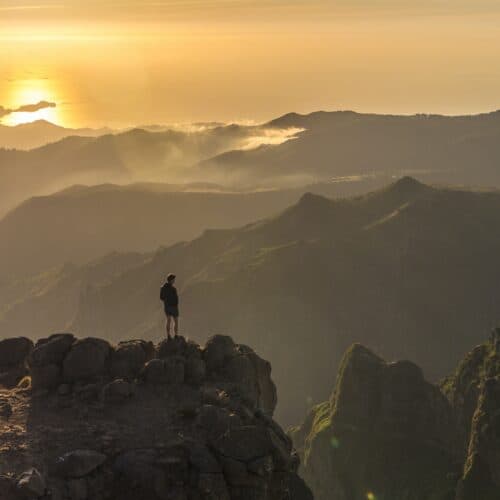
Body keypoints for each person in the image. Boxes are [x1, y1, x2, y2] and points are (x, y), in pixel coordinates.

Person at [160, 273, 179, 338]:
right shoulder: (173, 289)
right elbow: (176, 298)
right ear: (171, 280)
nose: (174, 281)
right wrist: (175, 303)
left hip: (167, 306)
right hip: (173, 306)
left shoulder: (163, 288)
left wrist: (166, 301)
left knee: (168, 320)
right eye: (173, 279)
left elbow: (161, 297)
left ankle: (168, 335)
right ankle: (176, 335)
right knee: (176, 321)